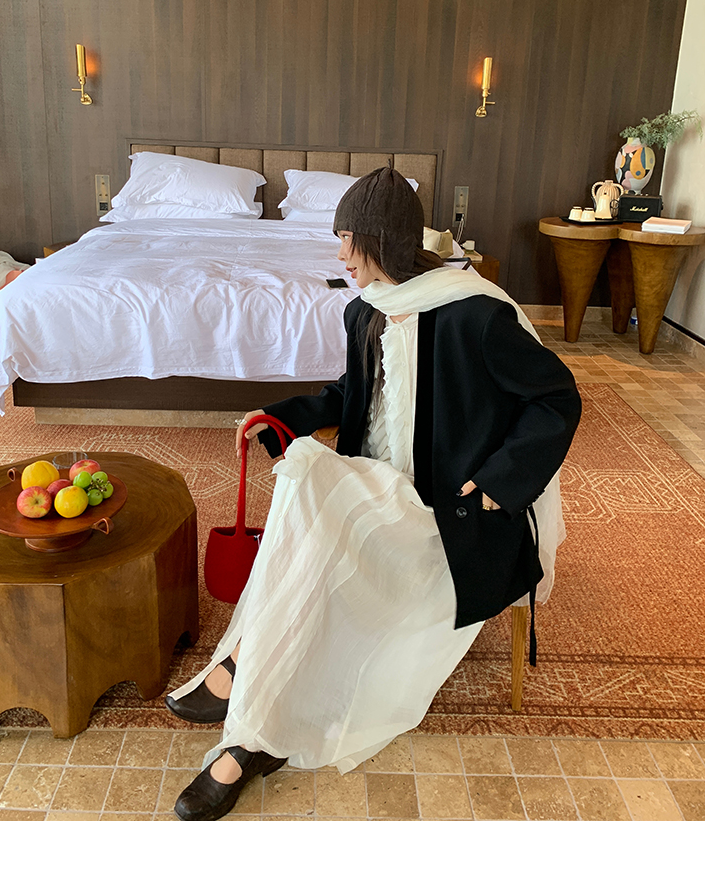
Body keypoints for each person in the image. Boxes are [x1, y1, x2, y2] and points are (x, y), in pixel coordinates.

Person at [167, 167, 582, 822]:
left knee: (313, 520)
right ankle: (252, 725)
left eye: (347, 239)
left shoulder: (476, 316)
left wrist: (501, 483)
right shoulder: (366, 310)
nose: (339, 256)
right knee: (308, 484)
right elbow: (352, 393)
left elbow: (556, 399)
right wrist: (281, 416)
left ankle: (247, 714)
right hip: (379, 491)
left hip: (447, 516)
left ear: (381, 239)